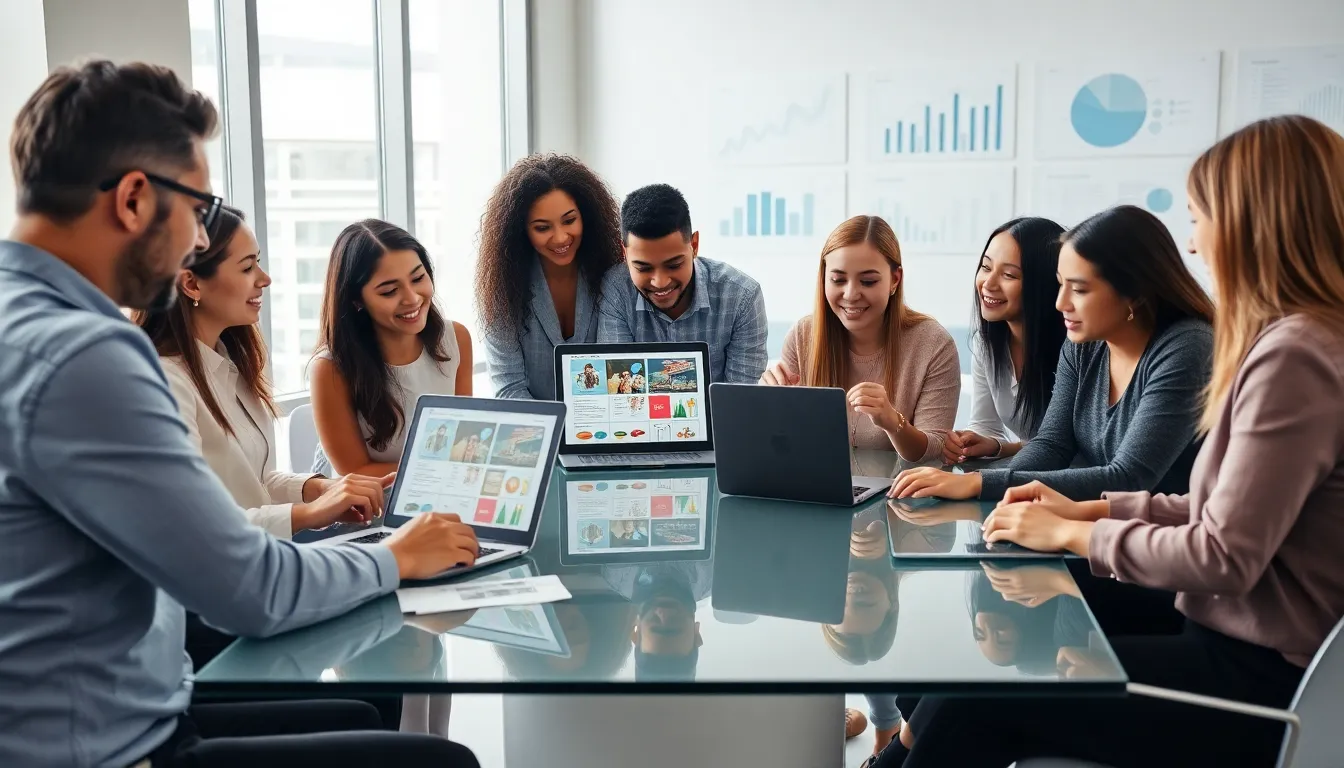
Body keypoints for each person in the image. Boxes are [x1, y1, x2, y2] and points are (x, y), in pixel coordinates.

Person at [0, 59, 480, 768]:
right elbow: (250, 592)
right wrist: (393, 557)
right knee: (443, 762)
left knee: (368, 705)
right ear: (134, 198)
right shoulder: (87, 356)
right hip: (110, 747)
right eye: (196, 209)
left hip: (123, 704)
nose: (198, 238)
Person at [883, 115, 1344, 768]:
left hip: (1259, 682)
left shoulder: (1293, 356)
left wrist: (1076, 534)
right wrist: (1092, 511)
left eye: (1200, 216)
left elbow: (1223, 554)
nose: (1195, 239)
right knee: (985, 663)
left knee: (983, 690)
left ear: (1251, 223)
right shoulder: (1306, 342)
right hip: (1240, 646)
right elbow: (1214, 511)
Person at [891, 205, 1215, 502]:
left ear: (1134, 293)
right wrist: (988, 482)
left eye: (1080, 289)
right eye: (1060, 285)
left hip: (1158, 542)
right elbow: (1051, 444)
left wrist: (980, 484)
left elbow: (1130, 478)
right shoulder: (1083, 343)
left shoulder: (1186, 347)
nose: (1061, 303)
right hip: (1086, 519)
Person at [761, 215, 960, 462]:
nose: (851, 294)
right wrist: (768, 407)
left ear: (894, 280)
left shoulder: (934, 345)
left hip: (899, 495)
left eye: (868, 281)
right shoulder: (803, 335)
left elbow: (936, 448)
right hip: (819, 491)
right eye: (838, 280)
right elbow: (783, 446)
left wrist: (891, 421)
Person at [310, 220, 473, 478]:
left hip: (441, 490)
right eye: (389, 291)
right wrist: (442, 471)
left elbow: (462, 440)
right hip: (367, 505)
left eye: (418, 278)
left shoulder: (456, 338)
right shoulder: (330, 368)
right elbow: (355, 472)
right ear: (356, 301)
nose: (412, 298)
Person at [476, 154, 624, 399]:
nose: (560, 237)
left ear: (586, 216)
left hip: (604, 428)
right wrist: (548, 431)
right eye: (542, 228)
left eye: (569, 220)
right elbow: (509, 387)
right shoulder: (503, 287)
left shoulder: (614, 277)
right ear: (520, 230)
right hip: (535, 431)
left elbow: (618, 370)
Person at [597, 183, 768, 383]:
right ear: (625, 254)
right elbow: (620, 391)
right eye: (643, 268)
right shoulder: (616, 289)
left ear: (694, 245)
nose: (660, 282)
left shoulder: (742, 297)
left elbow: (740, 399)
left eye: (674, 265)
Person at [944, 217, 1068, 464]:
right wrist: (989, 445)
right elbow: (985, 424)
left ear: (1044, 284)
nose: (988, 284)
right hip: (1030, 477)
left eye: (1009, 275)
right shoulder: (986, 343)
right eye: (986, 267)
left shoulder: (1074, 350)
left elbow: (1068, 447)